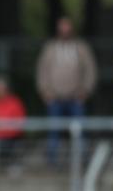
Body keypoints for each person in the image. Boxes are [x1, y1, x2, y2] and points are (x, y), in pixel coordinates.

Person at [36, 17, 98, 165]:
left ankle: (82, 159)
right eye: (62, 27)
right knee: (54, 130)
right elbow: (42, 70)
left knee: (79, 130)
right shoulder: (50, 47)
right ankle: (52, 160)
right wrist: (45, 91)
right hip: (54, 97)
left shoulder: (81, 47)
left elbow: (90, 70)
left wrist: (86, 90)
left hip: (76, 97)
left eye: (67, 27)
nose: (65, 31)